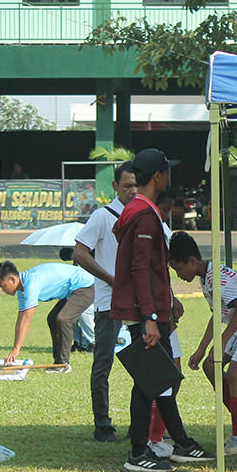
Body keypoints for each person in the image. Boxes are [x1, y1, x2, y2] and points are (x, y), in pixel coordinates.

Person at [111, 147, 214, 472]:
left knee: (160, 379)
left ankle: (180, 443)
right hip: (151, 313)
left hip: (156, 311)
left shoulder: (141, 210)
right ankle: (139, 452)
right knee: (149, 381)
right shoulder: (143, 214)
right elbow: (141, 269)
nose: (169, 176)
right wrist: (150, 318)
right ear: (158, 176)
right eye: (167, 171)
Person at [169, 231, 237, 456]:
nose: (179, 275)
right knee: (211, 365)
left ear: (192, 261)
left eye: (179, 269)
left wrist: (221, 341)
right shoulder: (205, 277)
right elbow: (220, 313)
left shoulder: (217, 277)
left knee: (235, 375)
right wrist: (202, 349)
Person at [74, 161, 138, 442]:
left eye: (137, 185)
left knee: (146, 362)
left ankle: (142, 424)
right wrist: (110, 278)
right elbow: (80, 253)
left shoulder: (145, 214)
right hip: (108, 302)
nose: (133, 191)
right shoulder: (103, 216)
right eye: (127, 186)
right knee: (103, 361)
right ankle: (103, 423)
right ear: (115, 187)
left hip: (140, 302)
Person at [0, 260, 95, 374]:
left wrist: (16, 349)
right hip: (72, 290)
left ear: (12, 279)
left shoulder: (31, 283)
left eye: (3, 286)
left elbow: (27, 320)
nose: (3, 290)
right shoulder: (22, 290)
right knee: (52, 318)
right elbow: (20, 320)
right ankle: (58, 363)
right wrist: (15, 347)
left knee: (63, 319)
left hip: (85, 286)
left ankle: (63, 364)